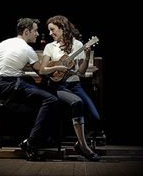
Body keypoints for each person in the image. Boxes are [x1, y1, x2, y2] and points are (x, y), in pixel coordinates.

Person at [0, 18, 59, 161]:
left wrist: (10, 66)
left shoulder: (2, 44)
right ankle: (31, 142)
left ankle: (31, 138)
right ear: (26, 31)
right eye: (35, 31)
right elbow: (41, 71)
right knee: (51, 99)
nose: (37, 34)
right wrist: (58, 67)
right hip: (13, 86)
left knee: (36, 97)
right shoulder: (27, 49)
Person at [39, 15, 101, 161]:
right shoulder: (50, 47)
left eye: (52, 29)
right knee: (77, 103)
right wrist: (59, 66)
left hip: (75, 84)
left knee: (96, 117)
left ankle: (79, 144)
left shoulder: (78, 44)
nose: (50, 33)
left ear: (62, 28)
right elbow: (42, 70)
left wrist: (86, 56)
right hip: (58, 86)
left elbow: (81, 72)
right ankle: (85, 148)